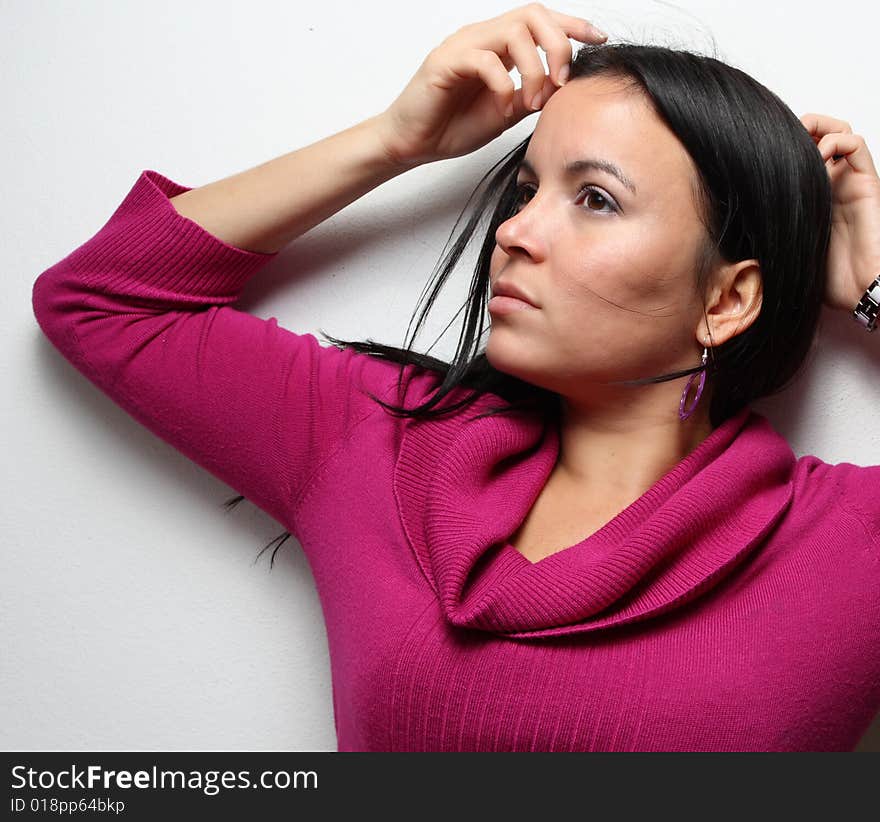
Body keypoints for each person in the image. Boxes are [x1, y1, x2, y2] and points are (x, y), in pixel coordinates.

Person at [31, 3, 880, 751]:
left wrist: (874, 289)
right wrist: (398, 139)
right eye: (524, 191)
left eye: (595, 199)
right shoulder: (383, 446)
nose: (513, 233)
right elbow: (105, 301)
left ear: (727, 300)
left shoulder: (843, 544)